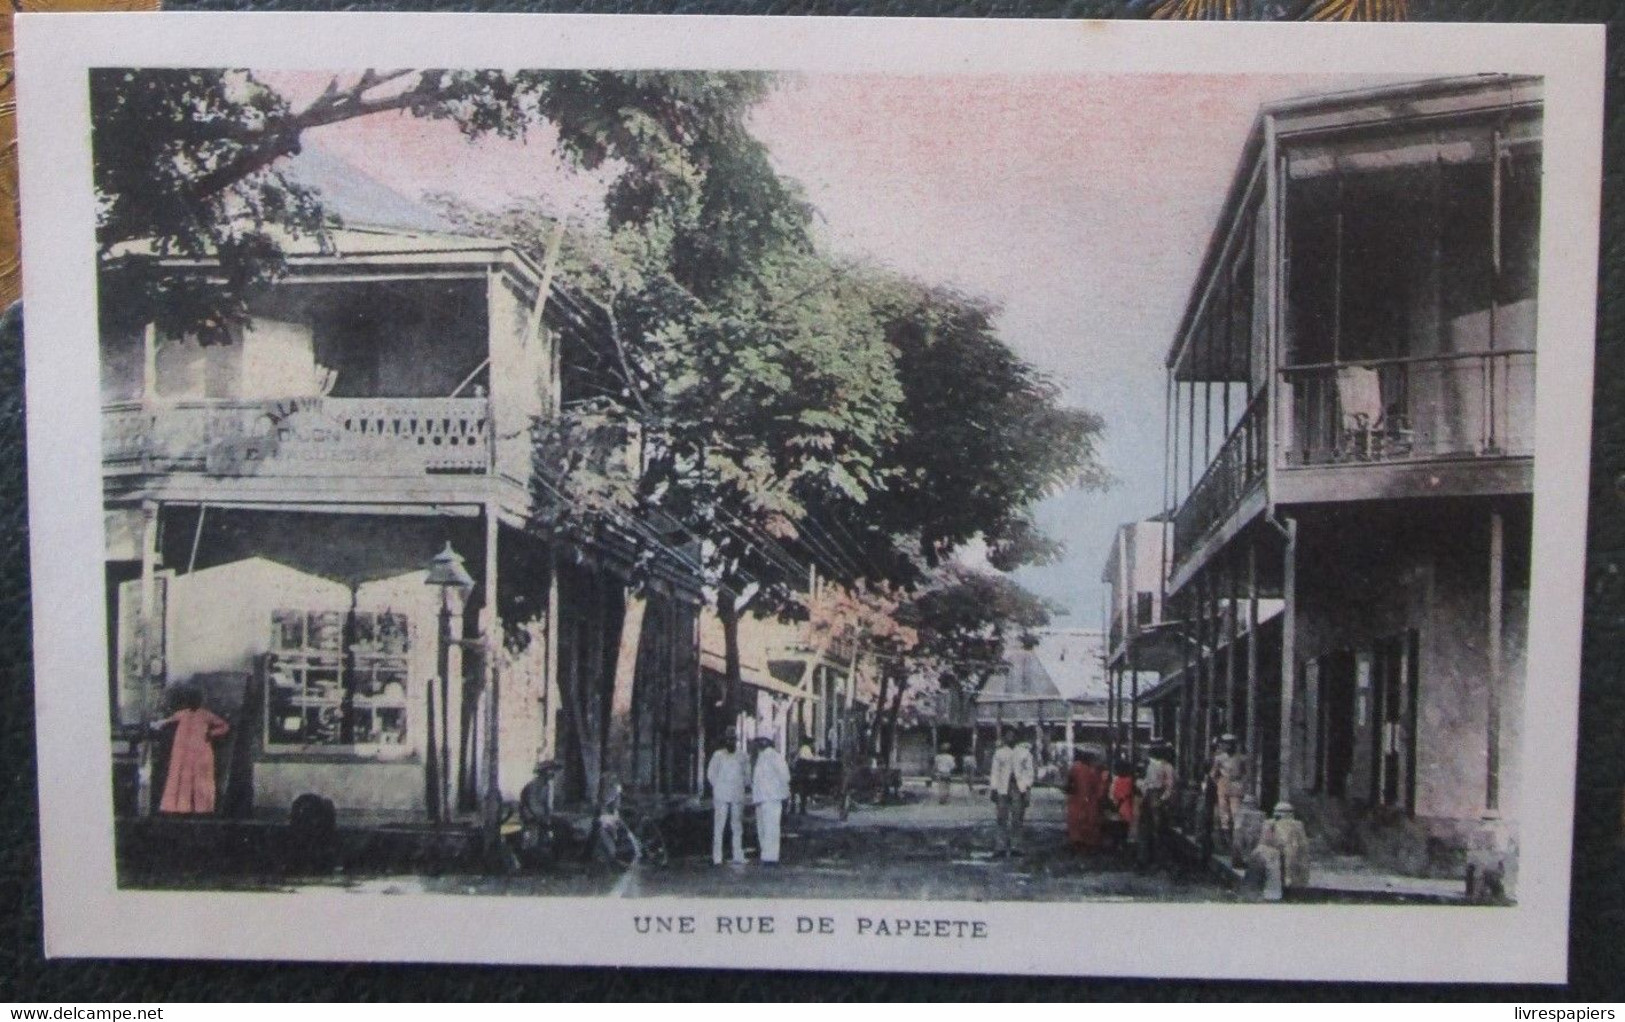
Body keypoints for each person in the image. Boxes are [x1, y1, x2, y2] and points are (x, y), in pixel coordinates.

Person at [152, 685, 230, 814]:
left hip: (201, 752)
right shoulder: (183, 714)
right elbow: (166, 721)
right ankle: (183, 807)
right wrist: (155, 725)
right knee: (183, 778)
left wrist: (212, 733)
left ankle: (203, 807)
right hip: (184, 753)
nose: (193, 703)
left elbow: (224, 726)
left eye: (195, 700)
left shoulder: (205, 714)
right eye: (191, 700)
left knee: (201, 780)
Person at [988, 728, 1035, 857]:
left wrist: (1026, 788)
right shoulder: (999, 753)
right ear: (1004, 737)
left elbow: (1029, 773)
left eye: (1012, 735)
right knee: (1001, 818)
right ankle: (1000, 846)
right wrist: (993, 788)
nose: (1010, 738)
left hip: (1018, 788)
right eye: (1007, 735)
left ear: (1016, 737)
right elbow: (995, 772)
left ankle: (1016, 846)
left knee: (1017, 818)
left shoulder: (1024, 753)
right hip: (1002, 788)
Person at [707, 727, 748, 865]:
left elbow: (747, 775)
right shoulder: (718, 756)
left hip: (737, 794)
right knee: (719, 826)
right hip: (721, 795)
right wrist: (718, 787)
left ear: (736, 741)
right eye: (728, 740)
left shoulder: (742, 756)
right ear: (725, 741)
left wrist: (742, 785)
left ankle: (737, 854)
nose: (731, 742)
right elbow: (711, 774)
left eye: (733, 739)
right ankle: (717, 857)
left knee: (736, 825)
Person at [751, 736, 792, 864]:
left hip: (772, 798)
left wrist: (782, 792)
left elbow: (785, 776)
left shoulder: (775, 757)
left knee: (771, 828)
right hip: (762, 798)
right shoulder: (761, 757)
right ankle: (766, 855)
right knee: (763, 828)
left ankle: (771, 857)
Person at [1137, 744, 1177, 868]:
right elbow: (1147, 783)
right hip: (1149, 796)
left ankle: (1159, 860)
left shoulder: (1168, 767)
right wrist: (1144, 791)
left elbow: (1170, 786)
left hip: (1158, 797)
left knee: (1159, 829)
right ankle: (1144, 858)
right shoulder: (1152, 765)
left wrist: (1162, 799)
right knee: (1145, 827)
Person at [1065, 748, 1108, 852]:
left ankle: (1077, 841)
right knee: (1090, 820)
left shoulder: (1076, 768)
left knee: (1077, 820)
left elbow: (1069, 784)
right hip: (1090, 800)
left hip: (1077, 799)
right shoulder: (1093, 770)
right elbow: (1099, 787)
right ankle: (1087, 843)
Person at [1209, 733, 1245, 845]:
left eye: (1230, 744)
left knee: (1235, 811)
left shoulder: (1241, 758)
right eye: (1225, 744)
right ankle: (1225, 839)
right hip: (1223, 783)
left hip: (1236, 784)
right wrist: (1219, 783)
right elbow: (1213, 773)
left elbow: (1245, 773)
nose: (1228, 747)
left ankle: (1236, 839)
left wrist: (1242, 782)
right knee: (1223, 811)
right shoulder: (1219, 758)